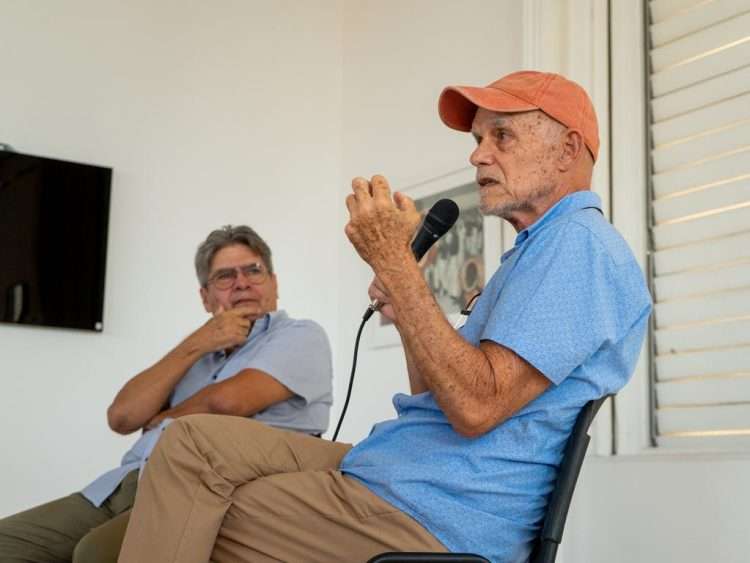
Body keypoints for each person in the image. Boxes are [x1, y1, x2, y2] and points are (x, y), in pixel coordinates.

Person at [115, 71, 652, 563]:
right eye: (476, 140)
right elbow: (437, 392)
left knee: (192, 516)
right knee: (187, 443)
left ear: (568, 150)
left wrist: (396, 262)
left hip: (433, 512)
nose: (479, 156)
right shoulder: (538, 251)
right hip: (402, 470)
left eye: (501, 137)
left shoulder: (579, 245)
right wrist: (404, 301)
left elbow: (475, 407)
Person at [0, 225, 333, 563]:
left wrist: (164, 418)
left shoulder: (300, 335)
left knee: (95, 554)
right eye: (225, 277)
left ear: (273, 282)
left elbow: (229, 403)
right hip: (124, 483)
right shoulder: (198, 352)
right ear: (205, 297)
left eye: (253, 270)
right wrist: (198, 342)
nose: (242, 282)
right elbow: (122, 416)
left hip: (201, 491)